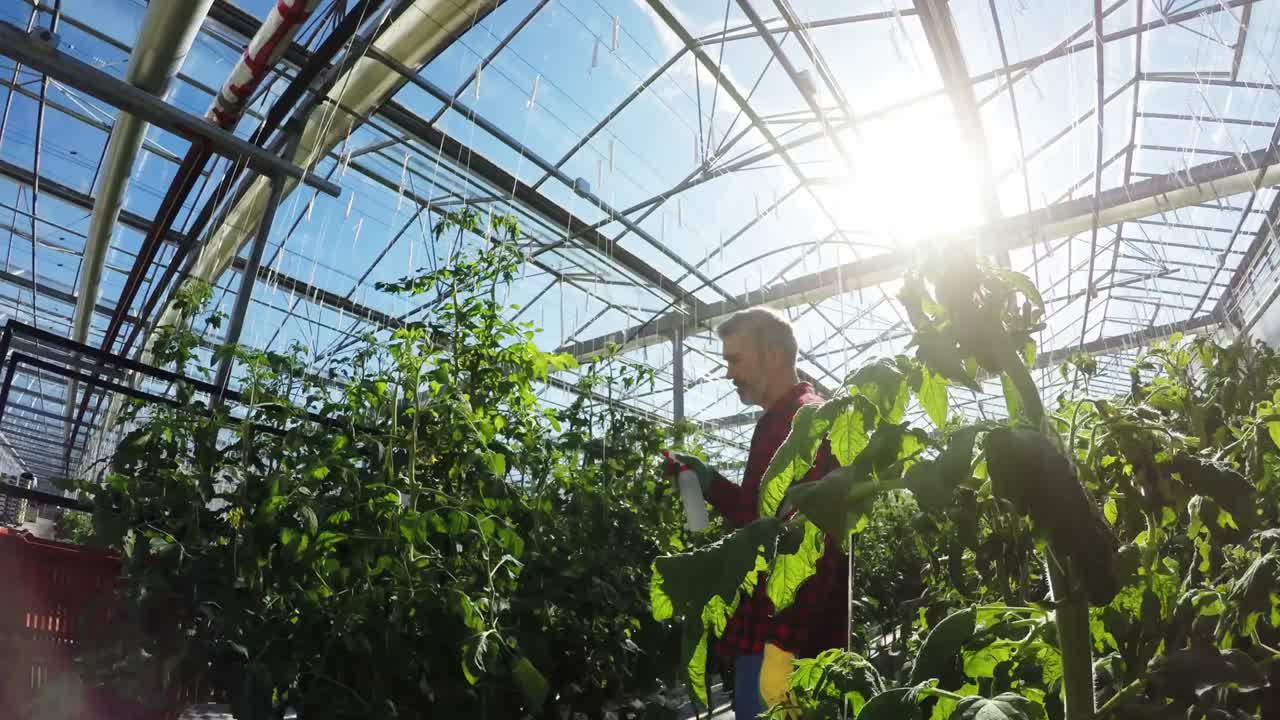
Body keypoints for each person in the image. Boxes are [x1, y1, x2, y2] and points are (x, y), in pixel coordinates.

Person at [666, 308, 849, 719]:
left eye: (735, 359)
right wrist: (708, 482)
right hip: (772, 641)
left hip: (787, 647)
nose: (729, 373)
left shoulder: (807, 422)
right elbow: (761, 520)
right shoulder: (776, 422)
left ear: (772, 355)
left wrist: (781, 652)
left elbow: (811, 540)